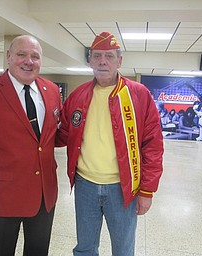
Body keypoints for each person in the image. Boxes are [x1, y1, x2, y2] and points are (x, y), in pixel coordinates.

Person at [57, 32, 164, 256]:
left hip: (123, 187)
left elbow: (152, 145)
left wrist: (147, 191)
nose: (102, 61)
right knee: (85, 248)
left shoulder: (138, 95)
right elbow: (62, 134)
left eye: (109, 56)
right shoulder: (77, 96)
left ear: (119, 61)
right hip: (85, 184)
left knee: (123, 250)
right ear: (89, 60)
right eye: (97, 56)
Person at [0, 35, 62, 256]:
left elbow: (53, 136)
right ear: (8, 57)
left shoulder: (52, 91)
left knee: (38, 251)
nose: (29, 61)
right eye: (21, 54)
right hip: (1, 198)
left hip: (45, 195)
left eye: (35, 56)